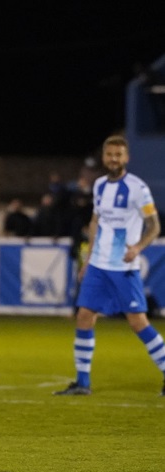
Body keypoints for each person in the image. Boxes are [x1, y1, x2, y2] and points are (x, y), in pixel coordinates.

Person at [55, 135, 165, 396]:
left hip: (124, 268)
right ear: (104, 157)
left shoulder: (137, 188)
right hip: (98, 266)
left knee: (138, 322)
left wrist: (137, 248)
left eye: (118, 155)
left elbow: (154, 225)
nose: (113, 159)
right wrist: (89, 258)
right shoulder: (100, 185)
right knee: (84, 317)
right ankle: (83, 383)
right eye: (110, 155)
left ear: (126, 158)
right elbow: (95, 222)